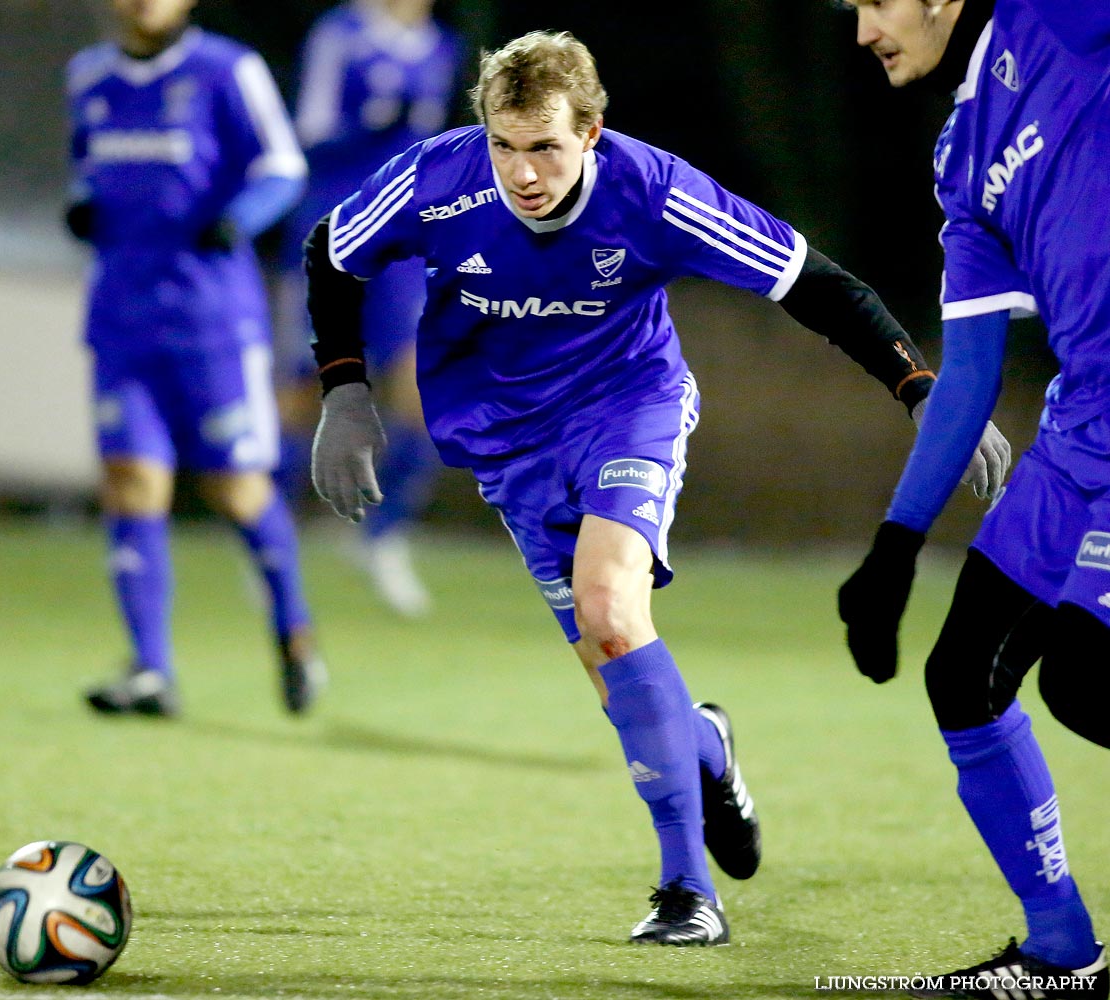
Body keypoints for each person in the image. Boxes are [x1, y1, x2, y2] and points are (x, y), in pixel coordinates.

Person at [302, 29, 1008, 944]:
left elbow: (813, 282)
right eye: (504, 145)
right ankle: (704, 743)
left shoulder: (655, 192)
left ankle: (688, 892)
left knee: (609, 605)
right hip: (508, 441)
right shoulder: (436, 178)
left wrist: (919, 387)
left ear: (591, 133)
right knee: (613, 670)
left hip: (626, 410)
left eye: (546, 146)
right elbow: (333, 251)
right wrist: (346, 391)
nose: (522, 172)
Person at [837, 1, 1110, 997]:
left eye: (874, 0)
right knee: (963, 675)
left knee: (1087, 679)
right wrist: (894, 546)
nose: (862, 27)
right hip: (1080, 427)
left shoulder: (1062, 21)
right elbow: (970, 370)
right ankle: (1059, 953)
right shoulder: (964, 152)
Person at [65, 0, 325, 718]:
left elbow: (282, 167)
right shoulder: (88, 77)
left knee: (237, 491)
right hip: (121, 316)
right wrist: (81, 199)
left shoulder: (226, 71)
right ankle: (151, 669)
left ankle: (293, 632)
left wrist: (238, 218)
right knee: (129, 482)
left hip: (212, 321)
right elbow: (87, 164)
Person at [274, 0, 461, 618]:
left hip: (402, 242)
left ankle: (383, 538)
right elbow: (309, 129)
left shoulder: (440, 46)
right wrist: (373, 124)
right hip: (331, 223)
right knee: (306, 394)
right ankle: (275, 543)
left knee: (422, 389)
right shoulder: (341, 32)